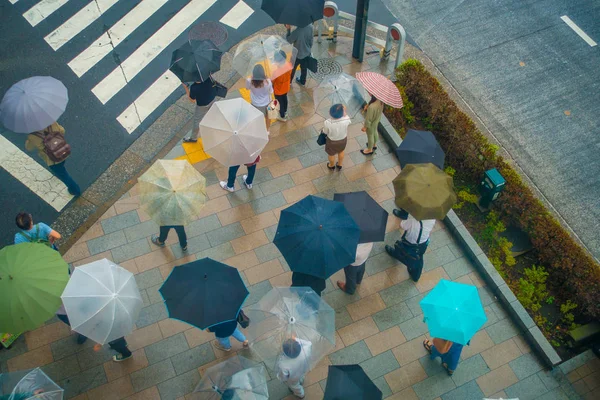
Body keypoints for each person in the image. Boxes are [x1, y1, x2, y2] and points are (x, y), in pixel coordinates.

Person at [26, 122, 81, 196]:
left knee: (63, 175)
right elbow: (62, 130)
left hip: (52, 160)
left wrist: (28, 140)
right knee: (61, 166)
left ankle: (75, 190)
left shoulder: (32, 136)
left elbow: (29, 148)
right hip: (62, 150)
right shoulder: (51, 122)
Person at [385, 211, 435, 282]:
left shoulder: (413, 221)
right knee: (419, 258)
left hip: (409, 242)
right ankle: (416, 276)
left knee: (401, 249)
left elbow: (402, 225)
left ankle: (396, 254)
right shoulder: (432, 219)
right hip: (422, 244)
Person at [322, 104, 351, 171]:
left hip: (332, 141)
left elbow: (325, 132)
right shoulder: (346, 119)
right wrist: (344, 112)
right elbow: (348, 119)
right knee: (341, 151)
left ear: (330, 113)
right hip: (343, 139)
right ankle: (340, 164)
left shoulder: (327, 122)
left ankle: (331, 165)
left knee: (331, 154)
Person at [246, 64, 273, 132]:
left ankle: (257, 131)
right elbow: (271, 91)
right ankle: (267, 130)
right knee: (268, 117)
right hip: (267, 103)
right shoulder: (268, 82)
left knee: (256, 118)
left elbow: (247, 88)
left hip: (255, 103)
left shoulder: (249, 80)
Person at [272, 50, 293, 122]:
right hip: (286, 87)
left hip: (278, 90)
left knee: (280, 103)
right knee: (284, 99)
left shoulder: (276, 72)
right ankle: (285, 111)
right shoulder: (289, 65)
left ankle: (282, 116)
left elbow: (273, 81)